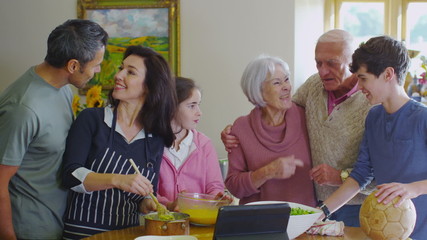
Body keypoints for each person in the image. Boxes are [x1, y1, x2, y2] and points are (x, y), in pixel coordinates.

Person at [221, 29, 373, 226]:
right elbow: (234, 186)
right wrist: (265, 169)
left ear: (353, 61)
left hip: (346, 208)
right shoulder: (312, 89)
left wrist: (340, 175)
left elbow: (377, 169)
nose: (322, 71)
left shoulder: (370, 101)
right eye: (318, 63)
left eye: (332, 63)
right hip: (284, 216)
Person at [0, 19, 108, 240]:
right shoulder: (23, 109)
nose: (97, 71)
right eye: (96, 64)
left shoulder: (63, 90)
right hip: (28, 230)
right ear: (73, 66)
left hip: (58, 222)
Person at [61, 45, 177, 239]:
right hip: (83, 234)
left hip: (126, 234)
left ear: (150, 86)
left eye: (130, 72)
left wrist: (146, 203)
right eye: (121, 68)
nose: (119, 75)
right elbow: (70, 175)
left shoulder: (155, 139)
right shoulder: (92, 119)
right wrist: (117, 180)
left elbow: (145, 194)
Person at [321, 35, 427, 239]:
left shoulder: (422, 118)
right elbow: (360, 175)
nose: (359, 87)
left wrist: (412, 189)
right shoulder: (373, 118)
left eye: (363, 78)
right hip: (383, 234)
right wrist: (322, 213)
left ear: (388, 74)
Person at [223, 55, 316, 206]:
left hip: (305, 219)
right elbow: (234, 187)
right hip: (259, 221)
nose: (286, 87)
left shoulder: (306, 116)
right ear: (258, 91)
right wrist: (268, 171)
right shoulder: (241, 128)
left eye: (286, 80)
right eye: (277, 83)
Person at [155, 77, 230, 211]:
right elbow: (148, 191)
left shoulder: (204, 144)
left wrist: (217, 198)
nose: (199, 113)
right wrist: (169, 205)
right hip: (161, 223)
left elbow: (214, 186)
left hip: (197, 222)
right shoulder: (151, 145)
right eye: (191, 106)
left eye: (198, 105)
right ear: (171, 106)